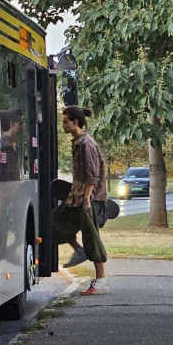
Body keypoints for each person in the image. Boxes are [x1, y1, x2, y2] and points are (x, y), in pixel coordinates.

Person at [54, 106, 109, 295]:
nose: (63, 125)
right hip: (76, 196)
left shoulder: (87, 144)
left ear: (75, 122)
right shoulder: (77, 142)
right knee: (55, 224)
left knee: (91, 237)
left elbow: (93, 175)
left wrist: (86, 198)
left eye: (65, 122)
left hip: (88, 199)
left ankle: (101, 281)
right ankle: (79, 250)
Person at [0, 109, 23, 181]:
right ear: (12, 124)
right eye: (20, 123)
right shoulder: (1, 145)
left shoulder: (13, 144)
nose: (21, 127)